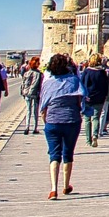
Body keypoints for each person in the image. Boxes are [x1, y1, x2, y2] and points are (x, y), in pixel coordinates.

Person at [38, 54, 83, 199]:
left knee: (54, 155)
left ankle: (53, 189)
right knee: (68, 153)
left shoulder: (48, 83)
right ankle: (65, 185)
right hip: (71, 120)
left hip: (52, 121)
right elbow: (81, 99)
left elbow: (43, 105)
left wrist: (45, 121)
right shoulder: (74, 80)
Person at [78, 56, 109, 147]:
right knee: (96, 118)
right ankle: (95, 135)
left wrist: (83, 96)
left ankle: (88, 140)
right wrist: (104, 96)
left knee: (87, 119)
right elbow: (105, 86)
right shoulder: (102, 72)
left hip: (88, 98)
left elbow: (82, 84)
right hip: (99, 98)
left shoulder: (87, 71)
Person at [19, 57, 44, 135]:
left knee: (28, 110)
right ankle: (34, 128)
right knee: (35, 111)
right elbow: (40, 85)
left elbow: (23, 83)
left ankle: (27, 127)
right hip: (35, 93)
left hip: (27, 93)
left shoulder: (26, 73)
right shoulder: (39, 74)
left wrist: (23, 92)